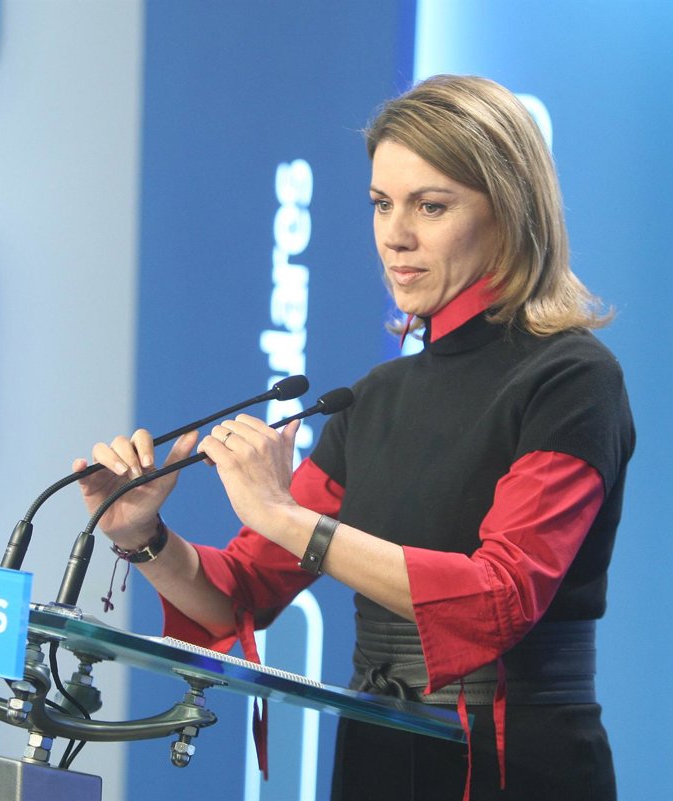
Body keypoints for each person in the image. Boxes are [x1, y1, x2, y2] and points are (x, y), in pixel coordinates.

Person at [74, 74, 634, 801]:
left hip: (514, 763)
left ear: (509, 210)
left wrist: (285, 517)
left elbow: (499, 600)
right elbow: (241, 592)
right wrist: (141, 535)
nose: (395, 235)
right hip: (376, 751)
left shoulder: (571, 378)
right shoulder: (374, 398)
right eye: (381, 203)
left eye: (431, 206)